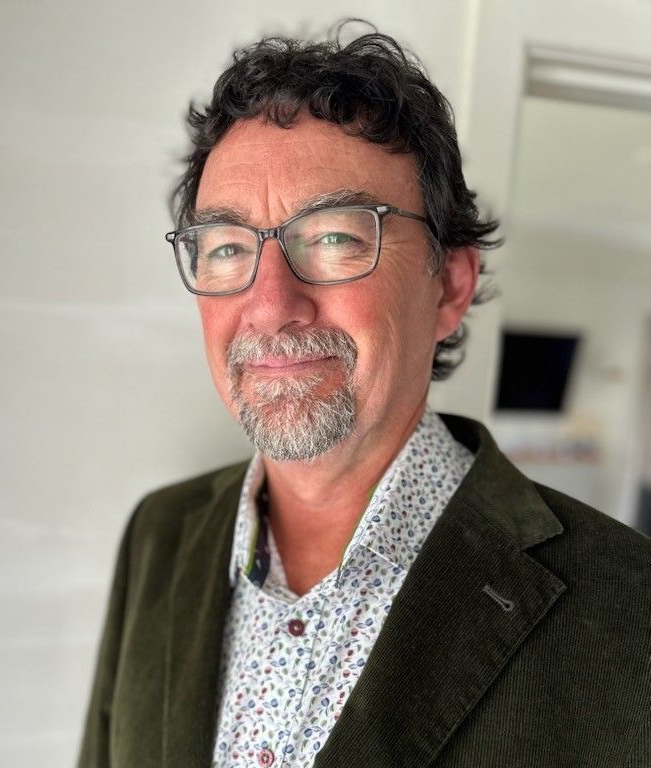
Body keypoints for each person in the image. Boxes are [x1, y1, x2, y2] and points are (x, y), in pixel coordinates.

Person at [77, 24, 650, 768]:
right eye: (226, 248)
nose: (271, 303)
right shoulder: (159, 536)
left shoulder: (629, 618)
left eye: (337, 238)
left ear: (449, 284)